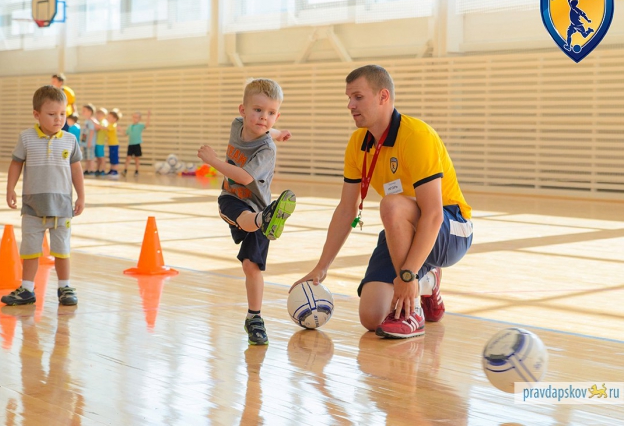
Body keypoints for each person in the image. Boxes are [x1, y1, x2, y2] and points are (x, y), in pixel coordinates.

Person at [290, 65, 473, 339]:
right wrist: (321, 267)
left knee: (391, 205)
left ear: (383, 96)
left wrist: (407, 276)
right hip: (404, 230)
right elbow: (346, 210)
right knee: (372, 317)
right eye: (348, 98)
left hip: (451, 228)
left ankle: (413, 309)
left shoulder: (417, 136)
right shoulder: (357, 144)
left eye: (358, 97)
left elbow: (434, 214)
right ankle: (428, 282)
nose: (350, 105)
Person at [197, 78, 296, 346]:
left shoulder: (266, 150)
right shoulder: (237, 125)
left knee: (251, 266)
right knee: (244, 217)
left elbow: (243, 176)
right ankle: (264, 220)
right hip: (232, 199)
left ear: (277, 115)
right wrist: (278, 132)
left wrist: (213, 161)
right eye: (258, 110)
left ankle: (255, 317)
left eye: (271, 113)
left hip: (259, 205)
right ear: (242, 111)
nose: (264, 118)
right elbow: (265, 131)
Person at [2, 85, 85, 306]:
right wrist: (10, 188)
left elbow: (76, 170)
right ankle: (27, 289)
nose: (59, 119)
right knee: (30, 250)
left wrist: (81, 196)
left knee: (62, 250)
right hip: (33, 207)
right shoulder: (26, 138)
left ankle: (65, 287)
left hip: (62, 207)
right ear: (36, 114)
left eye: (62, 113)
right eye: (52, 114)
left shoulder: (70, 140)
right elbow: (16, 163)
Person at [123, 110, 150, 176]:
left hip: (137, 144)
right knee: (128, 158)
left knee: (137, 158)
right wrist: (120, 129)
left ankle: (137, 171)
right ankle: (125, 170)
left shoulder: (140, 125)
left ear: (139, 119)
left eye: (137, 117)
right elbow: (125, 134)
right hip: (130, 144)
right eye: (134, 117)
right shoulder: (130, 126)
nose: (135, 119)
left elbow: (147, 125)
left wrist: (148, 116)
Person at [80, 104, 97, 175]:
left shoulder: (91, 121)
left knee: (90, 157)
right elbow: (85, 132)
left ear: (90, 112)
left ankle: (92, 170)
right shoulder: (86, 121)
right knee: (86, 157)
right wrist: (82, 141)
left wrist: (89, 141)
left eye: (84, 111)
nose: (82, 112)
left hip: (89, 143)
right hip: (85, 143)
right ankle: (86, 169)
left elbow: (91, 131)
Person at [105, 108, 121, 178]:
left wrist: (97, 125)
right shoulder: (110, 124)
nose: (107, 118)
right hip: (111, 144)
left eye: (109, 117)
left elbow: (106, 128)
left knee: (115, 158)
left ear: (115, 119)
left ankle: (115, 170)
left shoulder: (113, 125)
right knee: (111, 157)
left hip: (114, 144)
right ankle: (111, 169)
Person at [94, 107, 108, 176]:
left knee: (101, 157)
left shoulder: (104, 122)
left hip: (100, 143)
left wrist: (94, 122)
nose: (98, 116)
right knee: (98, 158)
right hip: (96, 142)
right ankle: (98, 169)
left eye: (100, 114)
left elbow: (99, 128)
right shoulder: (98, 122)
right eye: (97, 114)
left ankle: (103, 170)